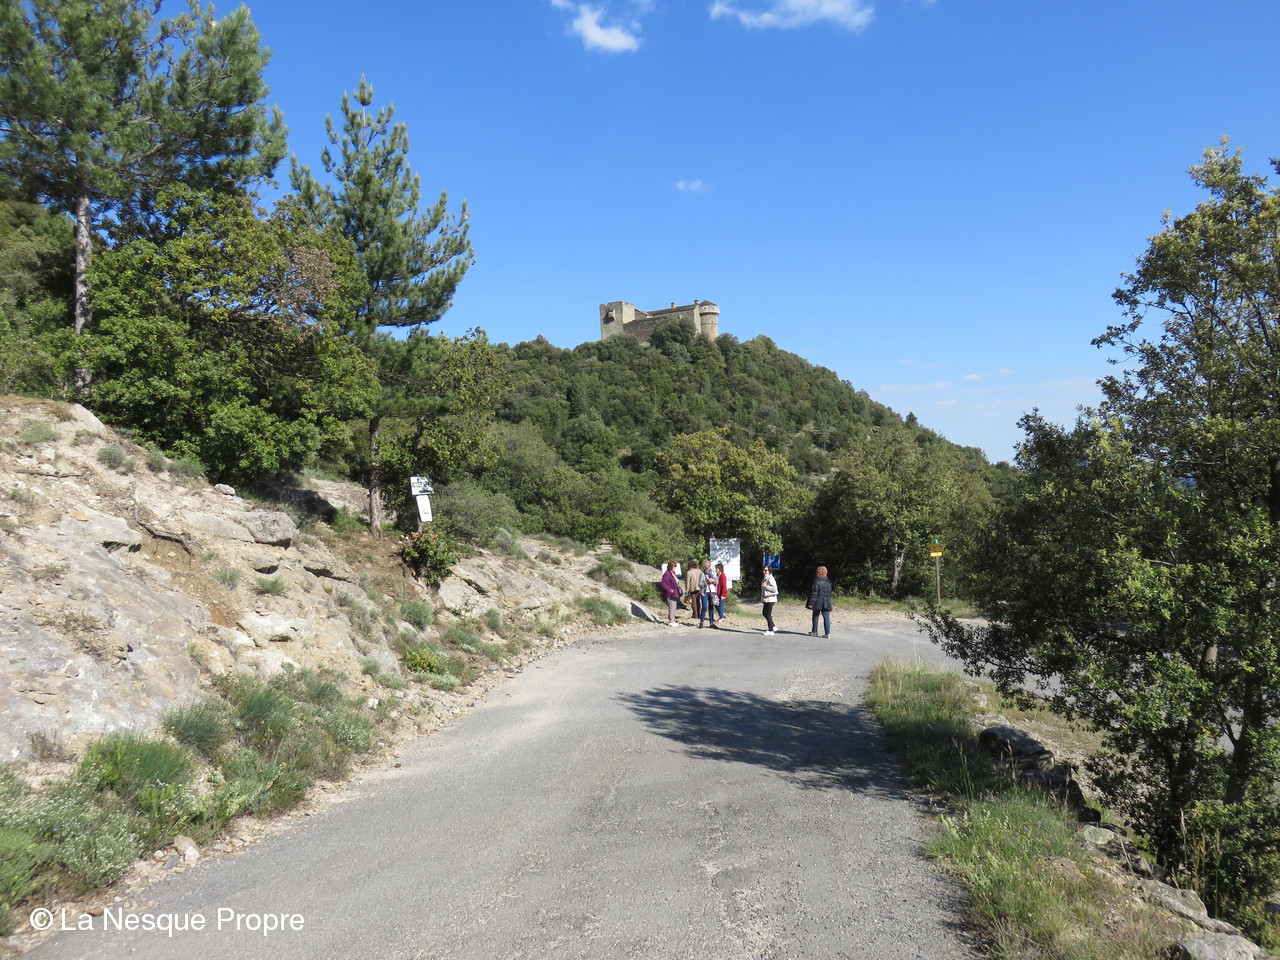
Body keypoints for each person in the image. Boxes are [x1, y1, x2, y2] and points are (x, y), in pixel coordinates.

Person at [806, 565, 833, 638]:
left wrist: (811, 603)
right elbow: (829, 593)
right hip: (826, 602)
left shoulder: (816, 582)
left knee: (815, 616)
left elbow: (814, 593)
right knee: (826, 617)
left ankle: (814, 631)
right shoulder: (829, 582)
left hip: (817, 602)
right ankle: (827, 633)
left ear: (818, 572)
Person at [698, 560, 719, 628]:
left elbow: (717, 582)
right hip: (704, 592)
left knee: (711, 607)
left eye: (709, 565)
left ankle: (711, 622)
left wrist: (713, 581)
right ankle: (701, 622)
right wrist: (706, 582)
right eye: (707, 565)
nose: (708, 567)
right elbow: (699, 584)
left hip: (713, 591)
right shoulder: (702, 574)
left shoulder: (713, 573)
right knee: (704, 607)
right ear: (704, 566)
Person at [660, 561, 681, 626]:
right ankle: (671, 621)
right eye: (674, 566)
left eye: (675, 566)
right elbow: (663, 583)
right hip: (670, 593)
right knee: (671, 607)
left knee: (674, 607)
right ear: (670, 566)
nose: (675, 568)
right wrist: (669, 590)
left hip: (674, 593)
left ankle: (673, 620)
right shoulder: (667, 574)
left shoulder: (673, 573)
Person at [761, 565, 778, 635]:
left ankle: (771, 630)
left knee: (767, 614)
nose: (764, 572)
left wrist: (766, 586)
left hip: (770, 599)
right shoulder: (766, 578)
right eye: (763, 570)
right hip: (767, 599)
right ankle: (773, 626)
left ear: (769, 571)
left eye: (766, 570)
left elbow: (774, 589)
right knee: (765, 613)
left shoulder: (770, 578)